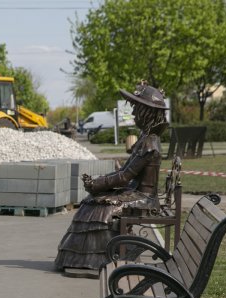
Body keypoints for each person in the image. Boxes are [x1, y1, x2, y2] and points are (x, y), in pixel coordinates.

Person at [54, 81, 168, 278]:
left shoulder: (149, 143)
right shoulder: (146, 138)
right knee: (91, 202)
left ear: (147, 113)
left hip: (144, 197)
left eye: (136, 110)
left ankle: (103, 257)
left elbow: (124, 177)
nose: (133, 114)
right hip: (135, 192)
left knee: (100, 208)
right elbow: (125, 172)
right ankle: (92, 257)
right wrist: (101, 182)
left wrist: (97, 184)